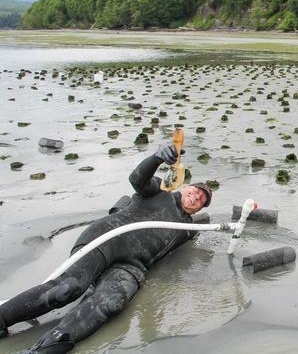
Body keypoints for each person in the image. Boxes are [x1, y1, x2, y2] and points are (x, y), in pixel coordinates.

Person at [0, 143, 213, 353]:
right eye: (196, 191)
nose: (196, 198)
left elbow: (207, 224)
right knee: (67, 288)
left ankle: (46, 348)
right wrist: (156, 158)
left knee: (112, 303)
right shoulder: (160, 190)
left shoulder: (185, 228)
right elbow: (137, 179)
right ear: (185, 187)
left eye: (201, 201)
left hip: (132, 267)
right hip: (106, 239)